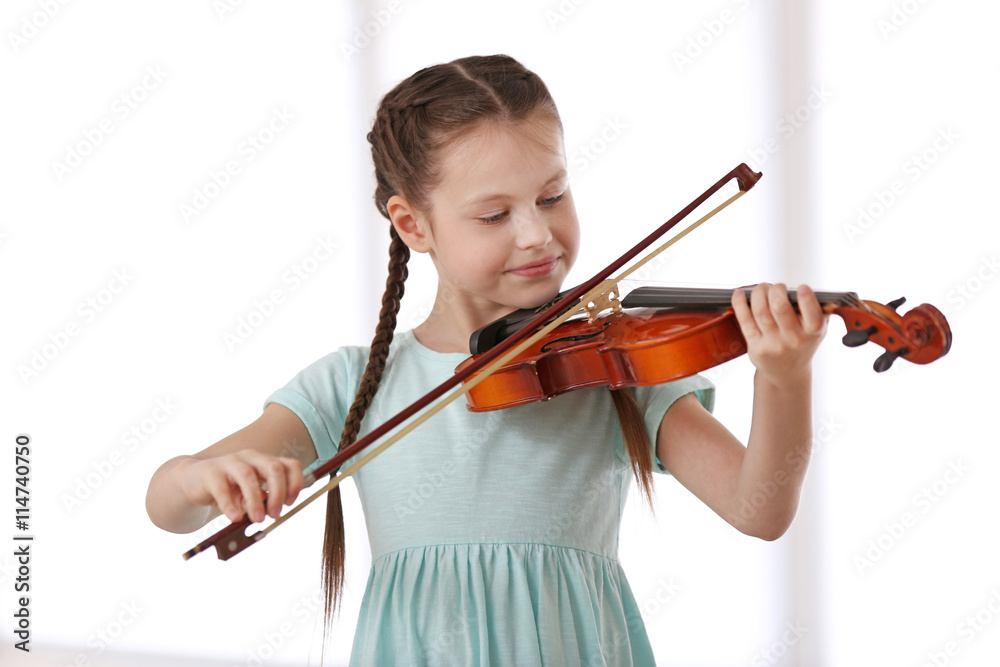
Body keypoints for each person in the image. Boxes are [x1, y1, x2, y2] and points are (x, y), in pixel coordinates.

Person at [146, 54, 828, 666]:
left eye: (552, 196)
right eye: (495, 215)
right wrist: (204, 475)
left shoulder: (611, 367)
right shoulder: (356, 384)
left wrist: (784, 376)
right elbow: (168, 505)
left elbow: (757, 509)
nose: (537, 233)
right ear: (414, 224)